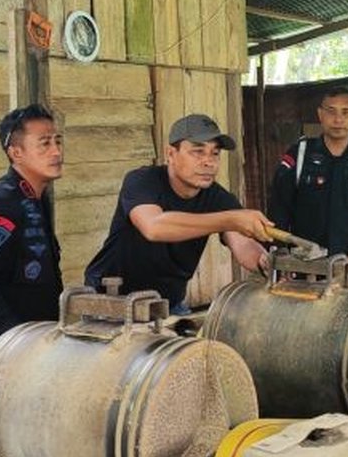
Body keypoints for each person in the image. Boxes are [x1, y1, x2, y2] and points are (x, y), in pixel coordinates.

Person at [84, 114, 271, 314]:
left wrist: (267, 262)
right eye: (198, 152)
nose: (209, 162)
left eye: (215, 153)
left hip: (168, 305)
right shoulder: (142, 181)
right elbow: (154, 227)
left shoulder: (218, 198)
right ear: (171, 154)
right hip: (110, 301)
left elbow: (243, 244)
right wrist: (231, 219)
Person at [0, 104, 64, 356]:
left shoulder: (36, 198)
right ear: (16, 153)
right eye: (45, 143)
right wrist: (17, 338)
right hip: (8, 353)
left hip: (41, 345)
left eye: (58, 141)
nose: (56, 151)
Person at [268, 85, 348, 261]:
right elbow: (279, 205)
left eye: (346, 112)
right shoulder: (300, 154)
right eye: (331, 112)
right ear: (320, 115)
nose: (338, 119)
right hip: (304, 263)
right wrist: (280, 252)